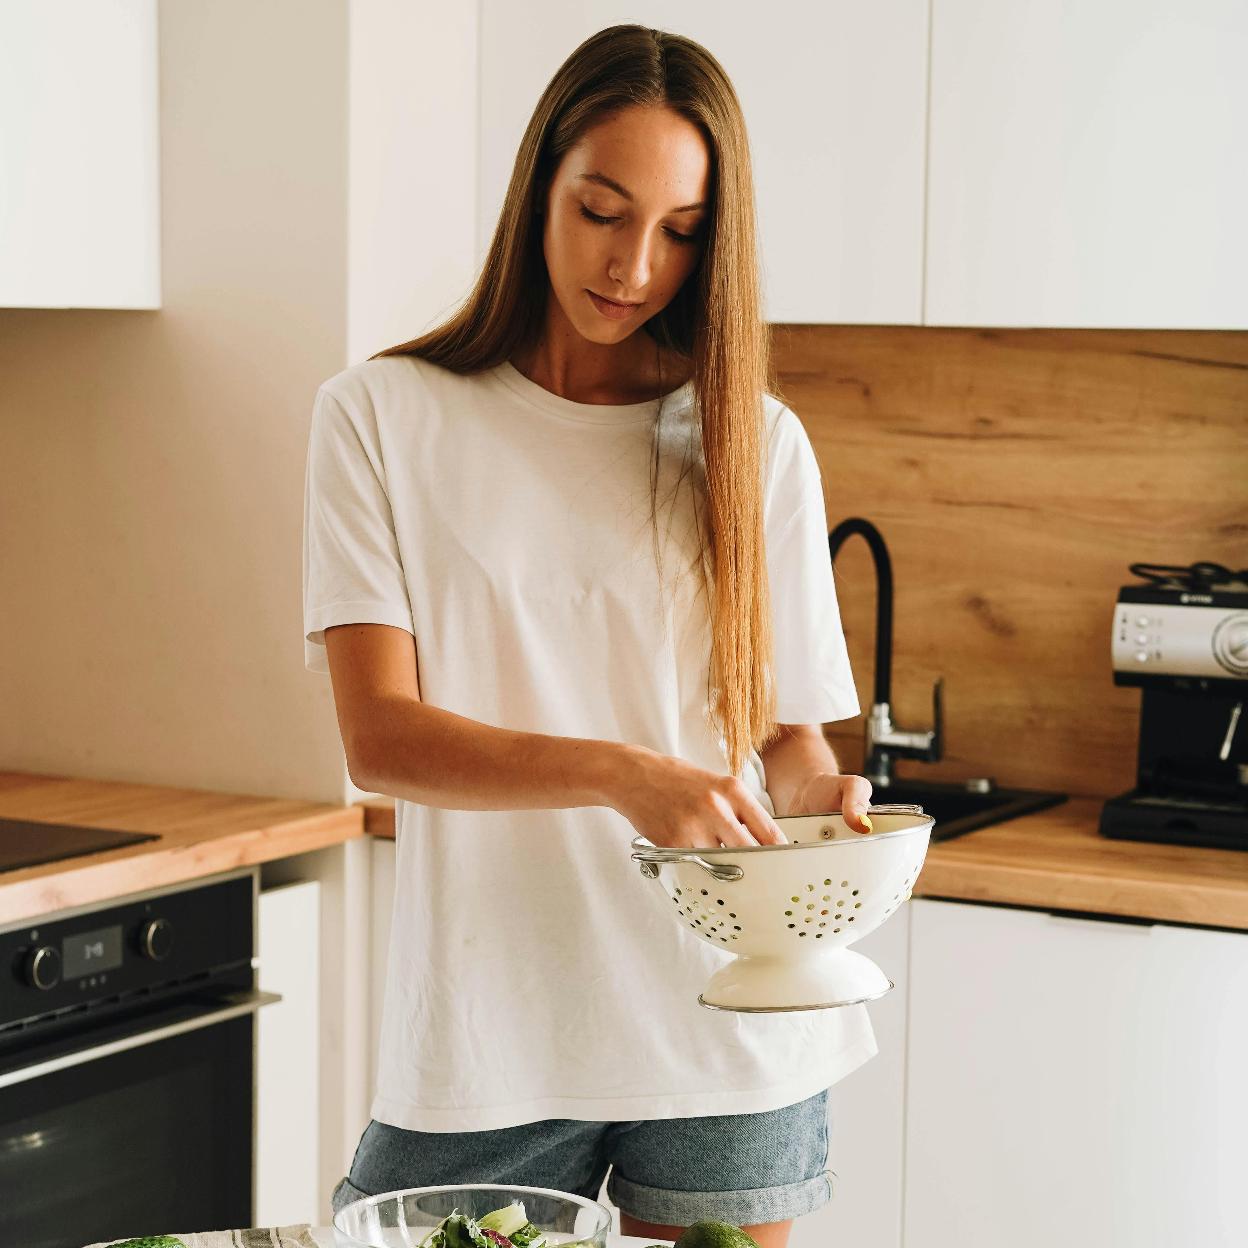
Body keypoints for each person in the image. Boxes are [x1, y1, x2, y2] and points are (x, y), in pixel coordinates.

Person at [302, 24, 875, 1248]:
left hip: (729, 1032)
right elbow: (380, 739)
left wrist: (834, 802)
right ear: (537, 193)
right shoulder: (381, 419)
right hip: (489, 1035)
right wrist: (626, 777)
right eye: (602, 211)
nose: (634, 266)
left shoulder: (750, 442)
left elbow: (784, 742)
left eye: (679, 231)